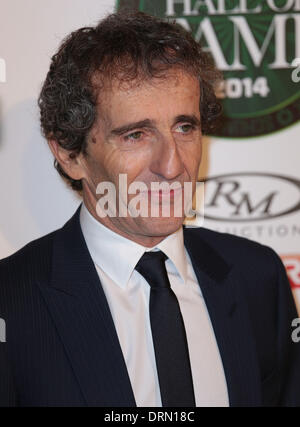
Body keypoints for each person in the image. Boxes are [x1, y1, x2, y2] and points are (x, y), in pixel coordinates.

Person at [0, 11, 299, 407]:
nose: (172, 166)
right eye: (136, 135)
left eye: (185, 127)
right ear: (71, 154)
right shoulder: (11, 300)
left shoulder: (257, 277)